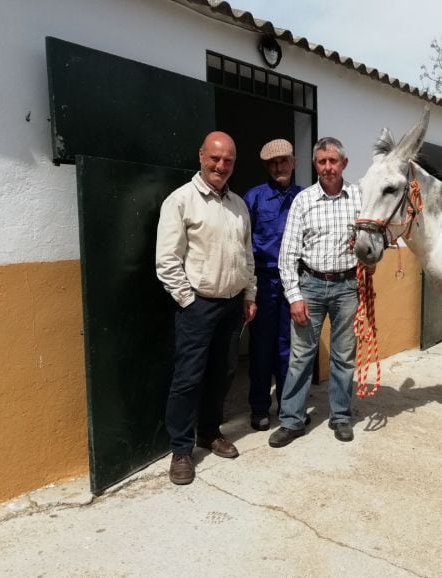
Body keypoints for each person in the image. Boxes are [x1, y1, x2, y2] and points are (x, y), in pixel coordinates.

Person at [155, 131, 257, 485]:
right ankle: (181, 450)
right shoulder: (181, 201)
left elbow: (247, 256)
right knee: (188, 379)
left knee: (224, 373)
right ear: (201, 156)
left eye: (228, 160)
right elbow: (167, 260)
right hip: (198, 307)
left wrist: (249, 295)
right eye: (215, 158)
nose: (221, 165)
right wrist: (188, 300)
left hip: (232, 307)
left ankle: (209, 433)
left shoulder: (239, 205)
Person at [268, 137, 362, 448]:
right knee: (300, 356)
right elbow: (288, 255)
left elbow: (378, 237)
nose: (327, 167)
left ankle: (340, 416)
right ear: (314, 165)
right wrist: (294, 296)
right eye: (321, 162)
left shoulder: (359, 198)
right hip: (309, 285)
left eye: (332, 161)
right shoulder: (303, 201)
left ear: (344, 164)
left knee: (344, 356)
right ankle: (292, 420)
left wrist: (364, 250)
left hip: (347, 286)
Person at [243, 139, 303, 431]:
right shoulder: (253, 198)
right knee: (261, 348)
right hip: (264, 281)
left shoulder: (305, 198)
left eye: (284, 161)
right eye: (273, 163)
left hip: (295, 282)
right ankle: (259, 407)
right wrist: (249, 290)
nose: (279, 167)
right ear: (268, 167)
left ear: (294, 162)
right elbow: (242, 244)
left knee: (289, 348)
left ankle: (288, 404)